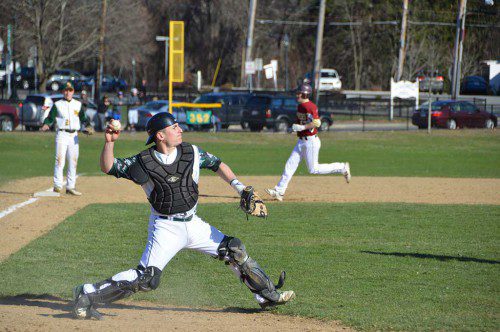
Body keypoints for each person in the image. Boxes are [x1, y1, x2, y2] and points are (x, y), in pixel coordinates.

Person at [72, 112, 295, 319]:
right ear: (160, 135)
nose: (180, 129)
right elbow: (109, 167)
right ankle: (88, 293)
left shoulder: (192, 153)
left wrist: (239, 187)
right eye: (174, 127)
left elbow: (218, 164)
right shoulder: (144, 162)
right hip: (165, 228)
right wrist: (109, 143)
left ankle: (266, 296)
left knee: (234, 250)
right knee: (147, 278)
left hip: (193, 223)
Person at [266, 83, 351, 202]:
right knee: (290, 165)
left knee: (314, 169)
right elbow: (301, 122)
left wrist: (302, 127)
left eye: (299, 93)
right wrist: (293, 128)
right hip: (301, 141)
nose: (297, 95)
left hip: (311, 142)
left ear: (305, 93)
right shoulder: (300, 106)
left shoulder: (310, 106)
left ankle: (342, 168)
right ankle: (279, 191)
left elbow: (317, 123)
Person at [41, 82, 92, 196]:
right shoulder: (58, 104)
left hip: (74, 135)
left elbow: (84, 118)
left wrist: (88, 126)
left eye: (70, 90)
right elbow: (50, 117)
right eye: (66, 90)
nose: (68, 92)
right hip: (62, 134)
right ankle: (58, 186)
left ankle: (70, 186)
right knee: (60, 160)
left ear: (73, 91)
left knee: (73, 161)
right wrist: (46, 124)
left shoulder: (78, 105)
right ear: (63, 92)